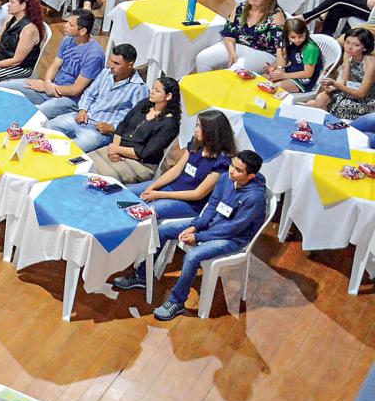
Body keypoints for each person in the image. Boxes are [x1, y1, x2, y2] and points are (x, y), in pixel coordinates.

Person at [111, 150, 269, 321]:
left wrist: (200, 237)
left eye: (238, 170)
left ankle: (177, 301)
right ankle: (141, 276)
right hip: (213, 224)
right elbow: (212, 205)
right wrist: (196, 226)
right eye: (232, 166)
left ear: (251, 176)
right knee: (161, 232)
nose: (231, 171)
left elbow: (234, 228)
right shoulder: (227, 178)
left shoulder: (254, 198)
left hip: (233, 238)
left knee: (193, 256)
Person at [0, 9, 106, 116]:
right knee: (2, 87)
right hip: (52, 87)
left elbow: (76, 90)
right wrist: (47, 82)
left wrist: (48, 88)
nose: (65, 25)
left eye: (71, 25)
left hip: (70, 99)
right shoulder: (68, 40)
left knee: (33, 114)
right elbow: (54, 65)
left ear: (82, 31)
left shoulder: (94, 55)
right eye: (67, 22)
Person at [45, 43, 149, 153]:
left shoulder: (139, 88)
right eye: (111, 61)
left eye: (116, 63)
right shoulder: (106, 73)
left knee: (68, 151)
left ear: (130, 64)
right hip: (82, 118)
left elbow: (138, 119)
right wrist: (82, 109)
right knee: (46, 129)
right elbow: (89, 93)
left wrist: (113, 128)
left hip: (99, 132)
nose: (111, 65)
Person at [86, 74, 182, 183]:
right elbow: (123, 125)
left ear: (168, 96)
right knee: (83, 162)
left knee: (97, 176)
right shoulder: (144, 104)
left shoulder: (169, 123)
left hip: (141, 162)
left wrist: (117, 149)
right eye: (153, 88)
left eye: (157, 90)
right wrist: (114, 149)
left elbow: (146, 153)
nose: (152, 92)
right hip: (117, 148)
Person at [194, 0, 287, 71]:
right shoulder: (240, 8)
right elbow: (229, 33)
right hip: (237, 46)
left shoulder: (276, 15)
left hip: (262, 53)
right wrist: (232, 53)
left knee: (235, 71)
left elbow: (280, 46)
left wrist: (279, 67)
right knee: (202, 58)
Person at [307, 27, 375, 120]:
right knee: (320, 98)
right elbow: (344, 79)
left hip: (366, 99)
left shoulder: (371, 63)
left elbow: (361, 94)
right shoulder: (348, 54)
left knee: (339, 106)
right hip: (349, 91)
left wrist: (336, 85)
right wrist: (331, 86)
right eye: (347, 42)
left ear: (365, 48)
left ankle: (331, 126)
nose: (349, 47)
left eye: (356, 45)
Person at [266, 17, 324, 94]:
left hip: (304, 80)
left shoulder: (310, 49)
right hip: (290, 72)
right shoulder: (287, 42)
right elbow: (284, 59)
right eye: (293, 37)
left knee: (272, 87)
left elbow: (308, 73)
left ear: (305, 33)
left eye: (300, 36)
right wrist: (275, 66)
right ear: (287, 36)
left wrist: (283, 75)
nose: (297, 40)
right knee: (263, 79)